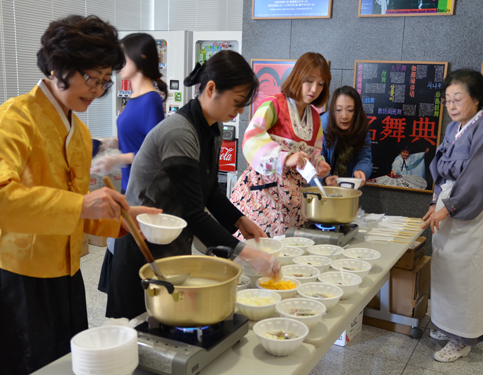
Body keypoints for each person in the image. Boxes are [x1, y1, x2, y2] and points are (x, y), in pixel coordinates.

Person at [0, 15, 161, 375]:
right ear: (60, 66)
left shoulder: (77, 127)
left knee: (69, 363)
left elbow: (81, 209)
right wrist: (82, 203)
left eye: (105, 82)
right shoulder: (14, 119)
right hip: (23, 277)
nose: (97, 91)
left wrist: (122, 219)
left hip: (68, 274)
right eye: (92, 78)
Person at [105, 50, 281, 320]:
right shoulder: (180, 133)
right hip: (141, 246)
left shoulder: (212, 127)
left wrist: (239, 220)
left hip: (171, 245)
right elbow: (192, 212)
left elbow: (209, 191)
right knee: (144, 331)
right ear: (211, 89)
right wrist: (248, 254)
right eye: (237, 102)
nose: (240, 111)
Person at [421, 69, 483, 362]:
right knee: (447, 268)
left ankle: (464, 338)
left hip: (474, 207)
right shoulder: (453, 129)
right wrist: (434, 201)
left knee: (469, 273)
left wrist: (448, 207)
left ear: (477, 99)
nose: (451, 106)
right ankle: (446, 325)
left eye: (458, 99)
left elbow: (479, 178)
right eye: (448, 100)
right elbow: (440, 170)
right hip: (449, 204)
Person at [93, 33, 167, 294]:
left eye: (121, 57)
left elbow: (152, 153)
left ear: (140, 57)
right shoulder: (133, 97)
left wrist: (115, 159)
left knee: (128, 264)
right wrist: (108, 144)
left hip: (141, 191)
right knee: (119, 258)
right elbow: (133, 139)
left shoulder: (151, 100)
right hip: (127, 187)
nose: (117, 63)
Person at [230, 52, 331, 238]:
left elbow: (315, 151)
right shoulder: (274, 104)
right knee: (256, 248)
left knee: (286, 251)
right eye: (309, 80)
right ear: (297, 77)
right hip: (263, 193)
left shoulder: (316, 118)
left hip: (292, 198)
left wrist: (319, 163)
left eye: (321, 83)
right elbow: (251, 138)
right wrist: (285, 158)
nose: (314, 88)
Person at [318, 85, 372, 188]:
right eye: (339, 110)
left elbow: (365, 156)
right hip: (323, 189)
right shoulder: (321, 126)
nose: (344, 116)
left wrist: (361, 170)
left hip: (349, 188)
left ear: (357, 111)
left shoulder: (362, 127)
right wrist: (325, 178)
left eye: (350, 110)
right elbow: (317, 158)